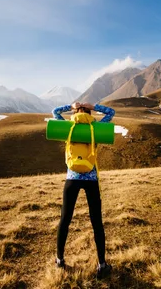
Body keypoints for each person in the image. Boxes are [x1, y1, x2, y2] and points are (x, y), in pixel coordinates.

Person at [52, 101, 115, 279]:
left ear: (76, 111)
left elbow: (55, 111)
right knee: (97, 222)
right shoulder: (95, 127)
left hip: (72, 179)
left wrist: (70, 107)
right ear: (88, 112)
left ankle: (59, 260)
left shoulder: (68, 126)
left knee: (65, 219)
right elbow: (111, 112)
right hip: (91, 179)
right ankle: (102, 264)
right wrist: (94, 106)